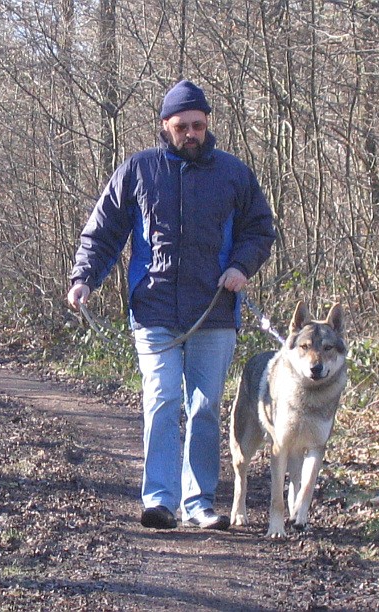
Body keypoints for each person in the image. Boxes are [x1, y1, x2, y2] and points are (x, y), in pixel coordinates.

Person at [67, 80, 275, 531]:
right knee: (162, 399)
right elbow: (102, 232)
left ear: (208, 125)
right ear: (165, 126)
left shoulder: (233, 174)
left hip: (215, 311)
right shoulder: (138, 170)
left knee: (203, 406)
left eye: (198, 125)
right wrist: (84, 278)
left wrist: (241, 266)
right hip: (154, 309)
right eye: (182, 126)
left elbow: (260, 230)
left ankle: (199, 503)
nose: (191, 133)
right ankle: (159, 501)